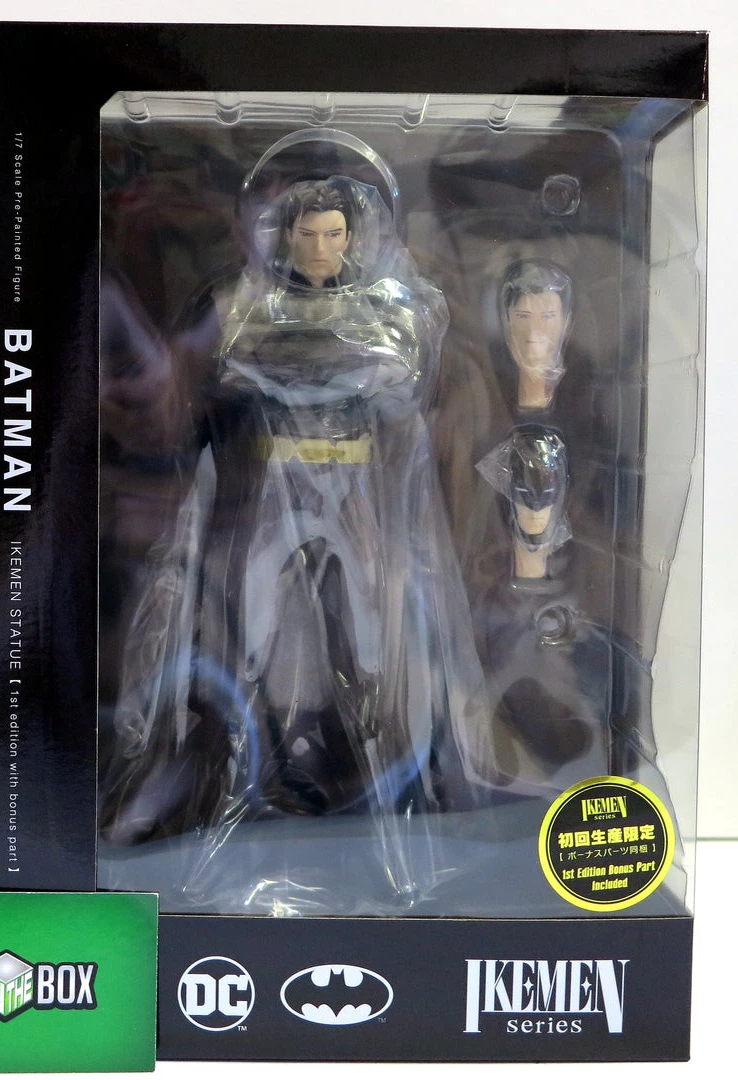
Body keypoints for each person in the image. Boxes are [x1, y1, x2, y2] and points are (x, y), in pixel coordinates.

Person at [101, 169, 498, 912]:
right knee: (249, 651)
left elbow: (401, 383)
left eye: (333, 234)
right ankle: (227, 806)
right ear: (285, 237)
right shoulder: (243, 305)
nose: (320, 247)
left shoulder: (393, 310)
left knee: (372, 659)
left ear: (354, 238)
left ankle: (390, 828)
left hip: (355, 495)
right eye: (308, 233)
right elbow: (221, 380)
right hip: (270, 492)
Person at [501, 259, 572, 410]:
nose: (535, 329)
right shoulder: (487, 391)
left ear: (565, 323)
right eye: (524, 316)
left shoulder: (577, 400)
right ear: (508, 322)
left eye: (548, 316)